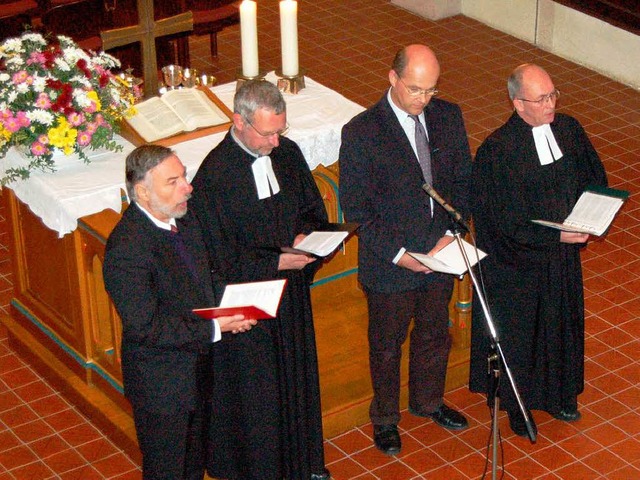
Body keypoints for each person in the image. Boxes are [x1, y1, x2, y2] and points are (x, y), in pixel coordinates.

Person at [189, 80, 330, 480]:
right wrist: (276, 263)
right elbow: (217, 256)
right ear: (238, 121)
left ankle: (304, 464)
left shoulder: (287, 155)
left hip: (291, 294)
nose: (274, 142)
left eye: (279, 131)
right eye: (266, 133)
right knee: (259, 394)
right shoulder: (215, 177)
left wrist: (308, 238)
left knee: (297, 380)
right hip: (249, 306)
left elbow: (310, 208)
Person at [339, 44, 472, 456]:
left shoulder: (448, 116)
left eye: (431, 90)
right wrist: (401, 255)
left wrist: (452, 232)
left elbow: (462, 182)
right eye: (415, 89)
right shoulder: (362, 132)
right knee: (386, 344)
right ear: (392, 78)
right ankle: (384, 418)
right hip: (390, 262)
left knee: (434, 333)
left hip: (439, 249)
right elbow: (357, 210)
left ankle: (428, 401)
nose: (424, 100)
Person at [468, 64, 607, 437]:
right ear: (518, 104)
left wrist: (591, 215)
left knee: (560, 325)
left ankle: (561, 395)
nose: (551, 105)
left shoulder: (568, 129)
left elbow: (595, 177)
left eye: (553, 95)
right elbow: (501, 221)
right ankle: (518, 405)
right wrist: (555, 236)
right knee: (522, 336)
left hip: (559, 259)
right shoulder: (498, 151)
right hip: (518, 266)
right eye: (541, 99)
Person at [103, 145, 257, 479]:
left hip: (196, 371)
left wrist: (234, 307)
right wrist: (216, 328)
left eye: (184, 175)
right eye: (173, 181)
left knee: (192, 463)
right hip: (162, 385)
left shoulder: (183, 220)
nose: (187, 186)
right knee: (167, 469)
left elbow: (204, 279)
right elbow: (147, 326)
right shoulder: (126, 250)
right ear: (143, 192)